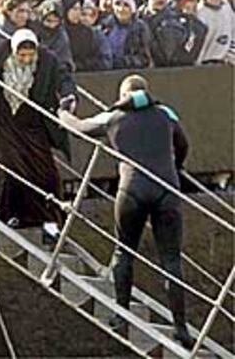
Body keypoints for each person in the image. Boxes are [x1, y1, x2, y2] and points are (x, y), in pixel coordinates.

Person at [59, 74, 195, 349]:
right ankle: (181, 328)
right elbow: (183, 145)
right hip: (166, 189)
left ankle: (122, 317)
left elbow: (79, 128)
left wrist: (62, 110)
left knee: (124, 253)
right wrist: (175, 168)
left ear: (123, 94)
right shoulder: (165, 113)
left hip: (131, 190)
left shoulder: (113, 116)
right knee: (171, 259)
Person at [0, 28, 77, 228]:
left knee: (44, 171)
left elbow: (64, 78)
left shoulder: (48, 60)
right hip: (3, 119)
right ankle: (12, 215)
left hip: (32, 120)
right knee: (9, 170)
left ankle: (49, 219)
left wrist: (68, 96)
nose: (26, 59)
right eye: (22, 55)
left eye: (31, 55)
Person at [101, 0, 151, 69]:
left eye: (126, 5)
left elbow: (145, 57)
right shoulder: (105, 25)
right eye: (118, 4)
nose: (121, 9)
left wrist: (123, 62)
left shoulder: (140, 28)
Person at [196, 0, 235, 65]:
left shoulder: (226, 6)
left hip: (225, 65)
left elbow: (233, 33)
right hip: (202, 68)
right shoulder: (200, 13)